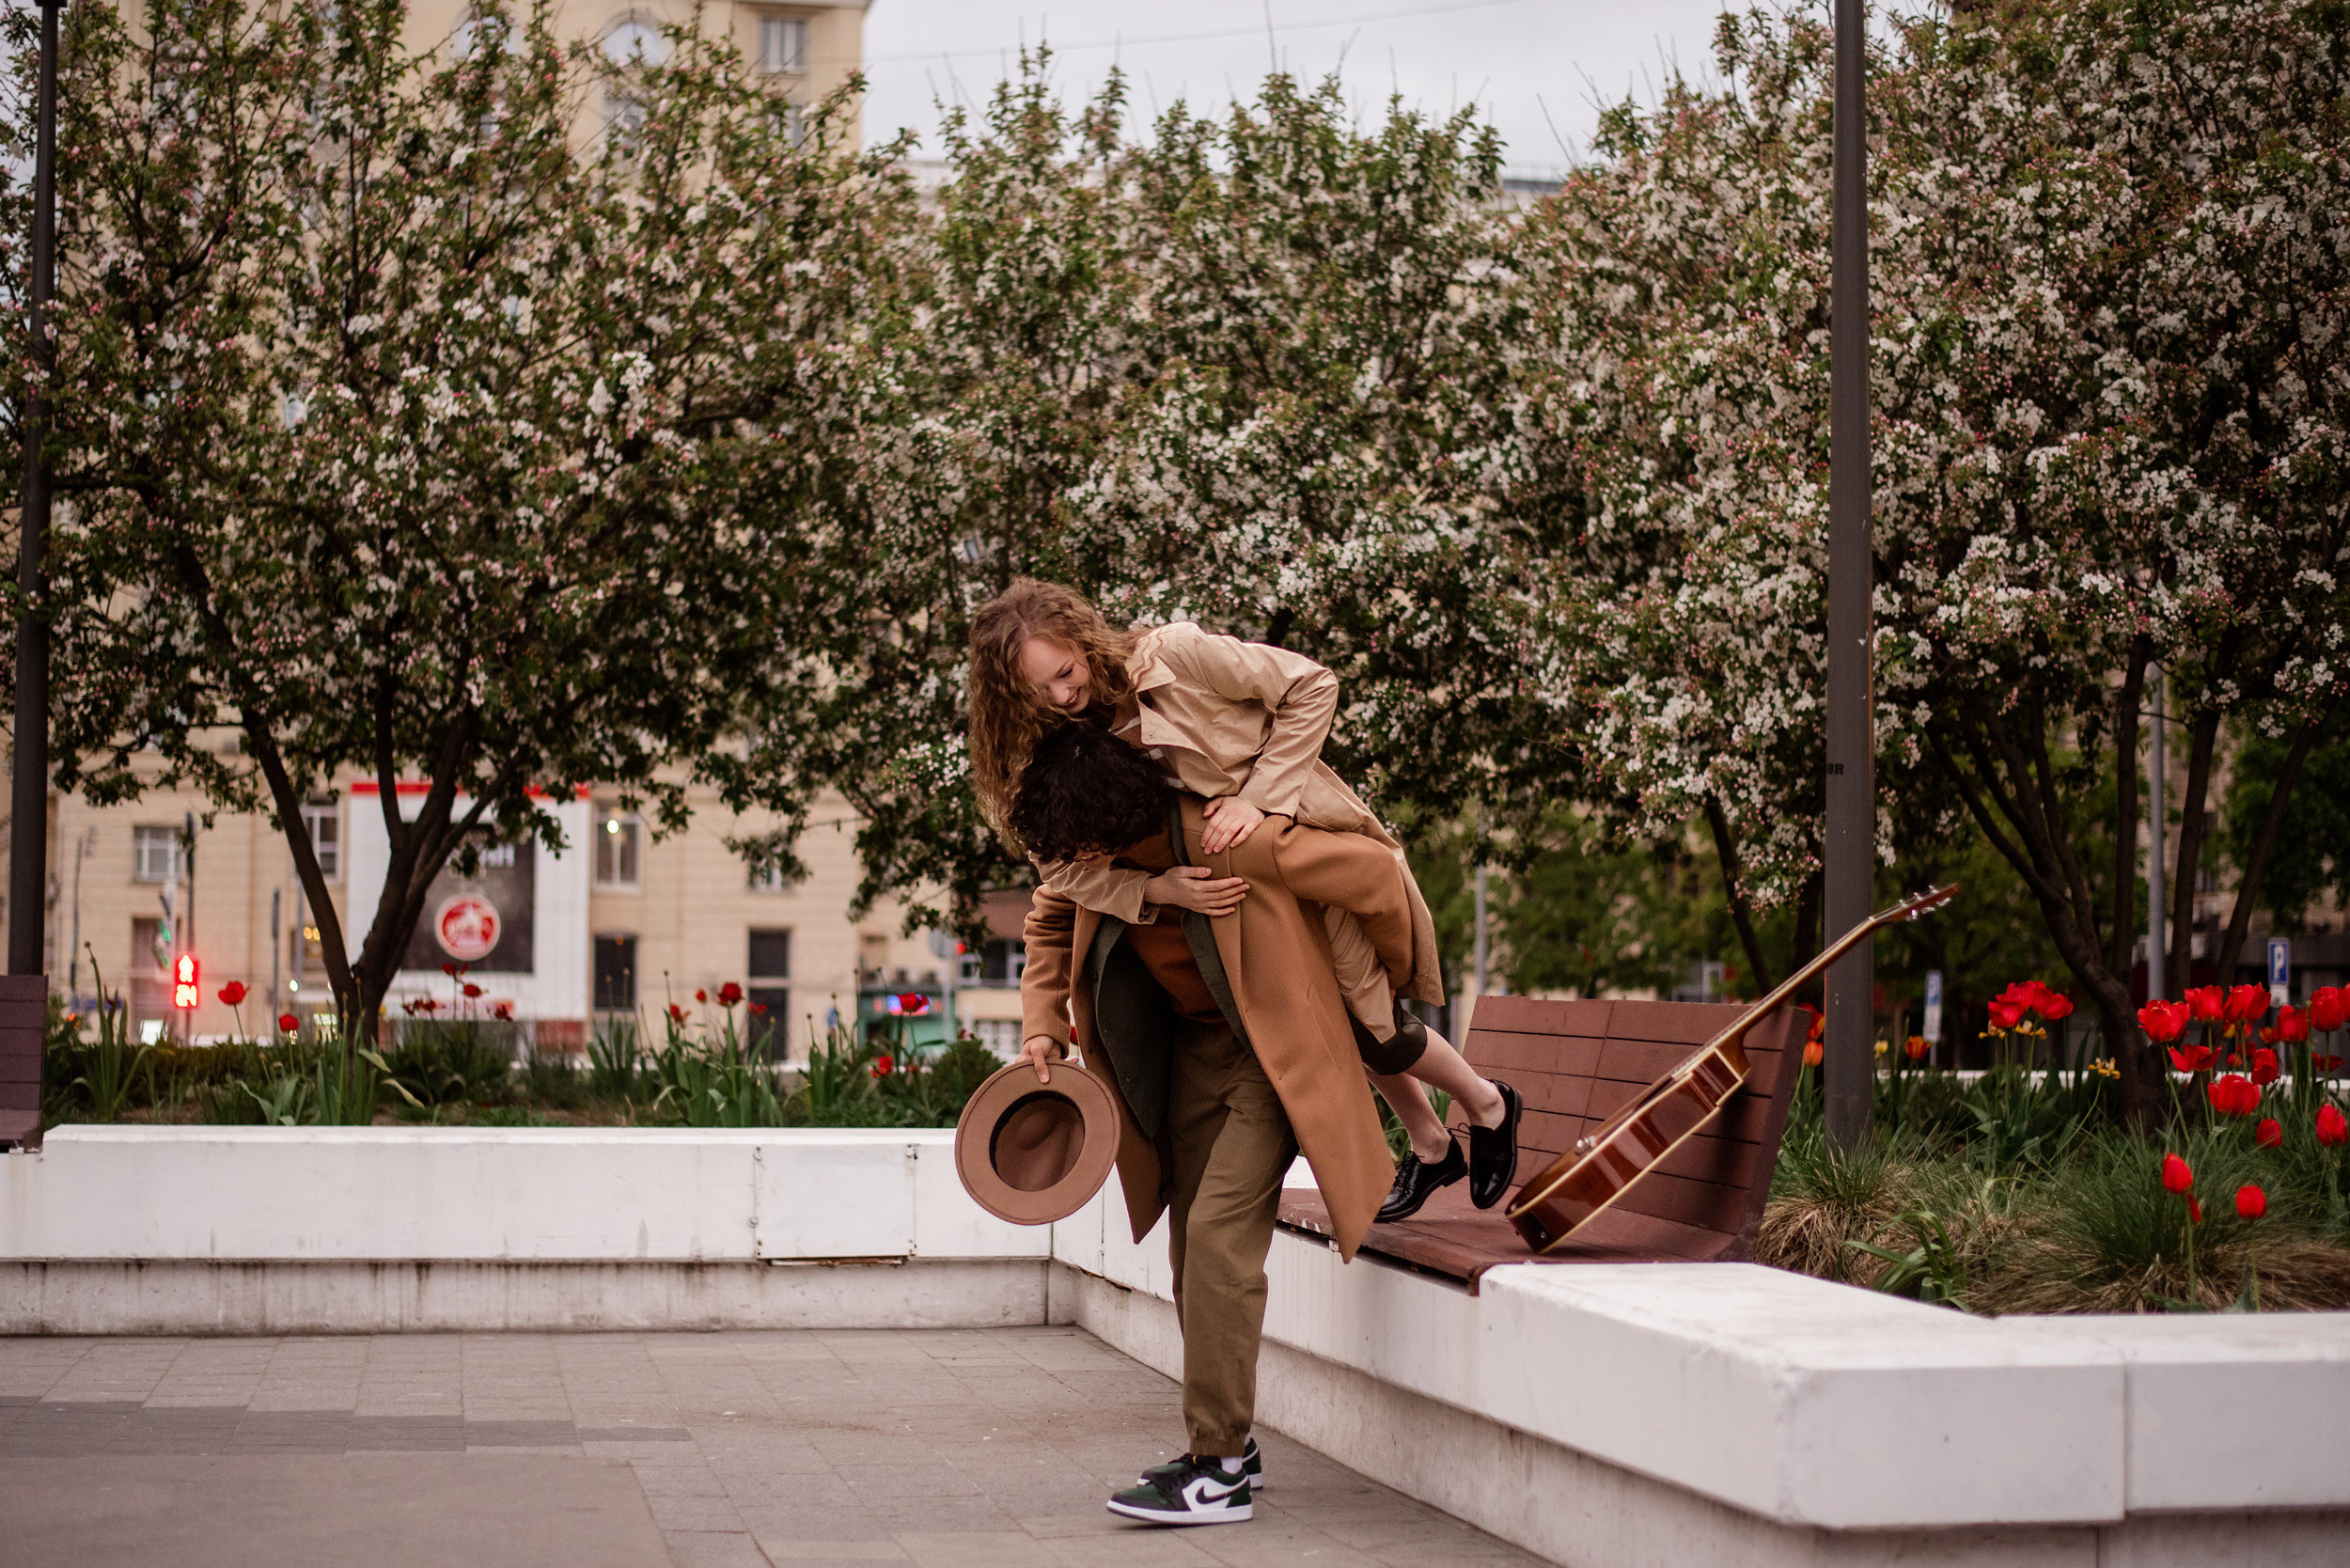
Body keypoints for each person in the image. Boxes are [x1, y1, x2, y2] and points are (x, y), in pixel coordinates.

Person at [969, 578, 1520, 1221]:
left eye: (1064, 672)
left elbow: (1312, 686)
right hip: (1241, 889)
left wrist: (1258, 796)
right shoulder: (1067, 735)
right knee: (1329, 1018)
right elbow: (1058, 868)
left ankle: (1487, 1104)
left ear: (1083, 639)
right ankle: (1430, 1145)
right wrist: (1149, 889)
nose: (1062, 696)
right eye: (1039, 692)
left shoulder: (1173, 655)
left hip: (1298, 850)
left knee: (1369, 1020)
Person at [1009, 724, 1436, 1526]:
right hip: (1189, 1054)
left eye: (1089, 849)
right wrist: (1041, 1021)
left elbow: (1376, 872)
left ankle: (1218, 1470)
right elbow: (1049, 920)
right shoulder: (1088, 858)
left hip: (1273, 1056)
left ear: (1122, 824)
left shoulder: (1225, 836)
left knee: (1218, 1241)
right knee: (1188, 1251)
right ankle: (1231, 1440)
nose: (1079, 866)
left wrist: (1379, 995)